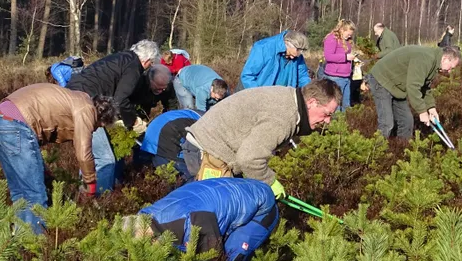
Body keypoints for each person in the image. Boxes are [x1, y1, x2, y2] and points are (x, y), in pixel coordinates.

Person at [0, 83, 118, 233]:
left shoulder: (74, 98)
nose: (95, 130)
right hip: (16, 126)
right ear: (101, 118)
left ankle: (20, 240)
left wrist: (43, 171)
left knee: (20, 192)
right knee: (35, 195)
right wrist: (90, 186)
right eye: (99, 126)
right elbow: (84, 153)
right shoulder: (86, 108)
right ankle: (34, 246)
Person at [182, 80, 342, 196]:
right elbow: (250, 158)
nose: (327, 121)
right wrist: (270, 182)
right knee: (207, 220)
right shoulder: (284, 117)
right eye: (327, 114)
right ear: (312, 102)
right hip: (208, 152)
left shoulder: (289, 98)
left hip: (211, 147)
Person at [122, 178, 278, 261]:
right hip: (234, 191)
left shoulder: (193, 225)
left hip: (261, 207)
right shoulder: (149, 214)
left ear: (146, 237)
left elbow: (214, 259)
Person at [67, 39, 161, 194]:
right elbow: (121, 99)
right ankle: (101, 200)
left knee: (91, 155)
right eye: (150, 63)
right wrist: (134, 122)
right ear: (146, 61)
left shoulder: (121, 58)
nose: (148, 67)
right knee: (105, 158)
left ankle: (83, 196)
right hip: (84, 104)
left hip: (72, 96)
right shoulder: (133, 67)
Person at [366, 45, 462, 139]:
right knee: (386, 123)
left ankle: (401, 149)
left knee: (407, 121)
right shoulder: (425, 59)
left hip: (396, 87)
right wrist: (422, 112)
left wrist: (431, 108)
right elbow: (413, 86)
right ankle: (375, 151)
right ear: (445, 59)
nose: (450, 71)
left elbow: (424, 87)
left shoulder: (434, 63)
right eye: (451, 68)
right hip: (381, 79)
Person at [137, 108, 201, 178]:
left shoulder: (195, 114)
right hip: (167, 139)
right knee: (187, 177)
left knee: (164, 174)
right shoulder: (203, 123)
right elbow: (193, 152)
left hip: (152, 134)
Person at [239, 30, 311, 90]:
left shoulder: (298, 56)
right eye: (290, 55)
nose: (292, 58)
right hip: (259, 96)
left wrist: (309, 92)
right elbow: (247, 76)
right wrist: (259, 96)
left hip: (284, 98)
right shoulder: (262, 48)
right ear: (287, 44)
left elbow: (303, 77)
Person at [322, 19, 357, 112]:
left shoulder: (347, 41)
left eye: (351, 34)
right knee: (335, 106)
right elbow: (328, 56)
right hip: (335, 77)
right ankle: (334, 124)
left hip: (346, 76)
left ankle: (344, 124)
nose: (350, 36)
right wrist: (345, 57)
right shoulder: (331, 38)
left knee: (346, 105)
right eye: (348, 34)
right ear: (342, 29)